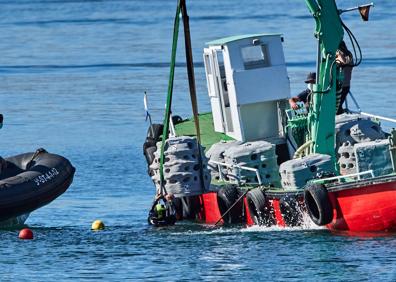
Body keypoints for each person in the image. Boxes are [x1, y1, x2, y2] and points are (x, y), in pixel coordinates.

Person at [336, 40, 353, 115]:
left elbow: (343, 63)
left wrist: (338, 55)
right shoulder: (349, 55)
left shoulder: (346, 56)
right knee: (337, 106)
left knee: (337, 107)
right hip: (345, 85)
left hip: (341, 86)